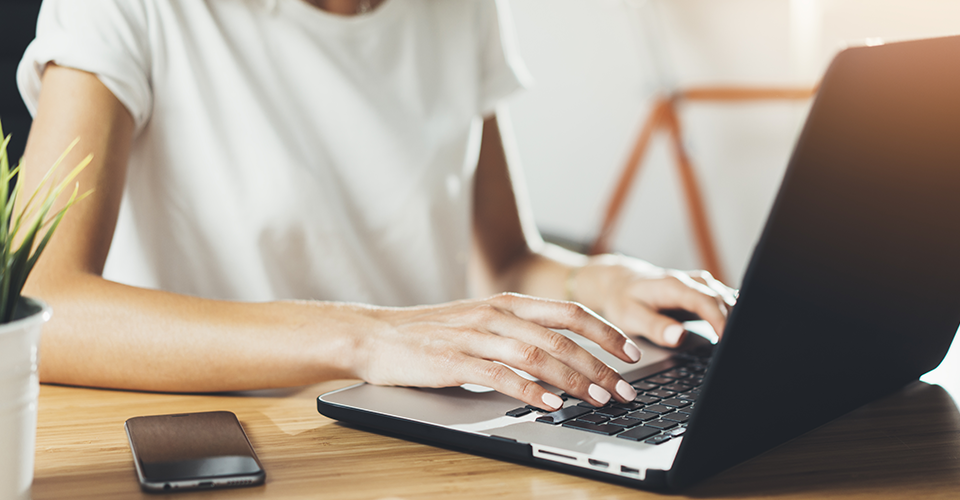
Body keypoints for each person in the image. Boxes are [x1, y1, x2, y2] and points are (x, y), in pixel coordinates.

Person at [16, 0, 734, 412]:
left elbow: (508, 257)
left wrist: (605, 281)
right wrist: (365, 337)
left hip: (422, 434)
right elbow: (37, 308)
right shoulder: (121, 8)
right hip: (237, 435)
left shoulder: (460, 9)